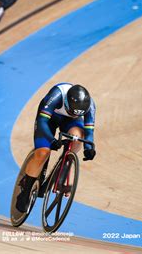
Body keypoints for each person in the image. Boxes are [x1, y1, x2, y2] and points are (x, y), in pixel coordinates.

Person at [16, 83, 96, 212]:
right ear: (66, 102)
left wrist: (88, 148)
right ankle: (26, 190)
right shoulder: (56, 95)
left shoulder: (90, 106)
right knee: (43, 152)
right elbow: (42, 121)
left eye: (78, 114)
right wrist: (51, 140)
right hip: (48, 119)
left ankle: (66, 165)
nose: (75, 114)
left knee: (77, 136)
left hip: (69, 122)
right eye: (71, 111)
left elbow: (89, 131)